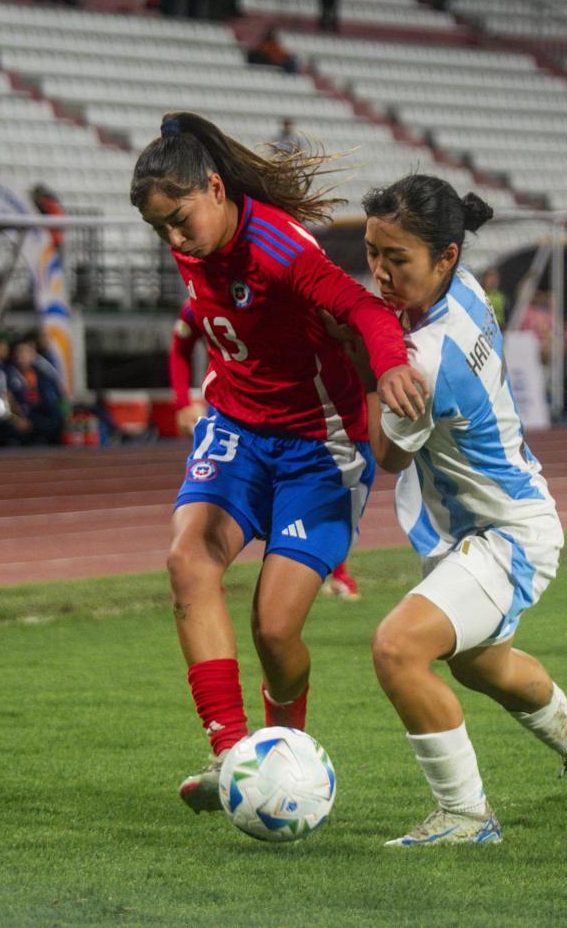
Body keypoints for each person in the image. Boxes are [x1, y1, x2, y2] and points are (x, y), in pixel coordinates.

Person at [129, 111, 427, 815]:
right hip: (235, 425)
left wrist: (387, 370)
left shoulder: (279, 248)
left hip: (320, 444)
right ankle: (235, 756)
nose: (173, 239)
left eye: (179, 219)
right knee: (188, 561)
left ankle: (282, 754)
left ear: (214, 188)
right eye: (159, 229)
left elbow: (363, 309)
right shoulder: (195, 238)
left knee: (274, 627)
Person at [334, 174, 567, 846]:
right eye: (372, 251)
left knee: (397, 648)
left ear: (445, 257)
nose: (378, 271)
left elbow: (389, 456)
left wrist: (359, 359)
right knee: (479, 665)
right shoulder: (463, 292)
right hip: (493, 522)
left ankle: (465, 816)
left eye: (395, 259)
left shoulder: (426, 361)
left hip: (506, 536)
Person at [169, 298, 364, 601]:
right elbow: (180, 345)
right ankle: (205, 575)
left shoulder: (292, 296)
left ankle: (337, 573)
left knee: (307, 503)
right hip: (232, 423)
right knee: (207, 511)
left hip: (298, 426)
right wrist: (182, 401)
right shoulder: (201, 301)